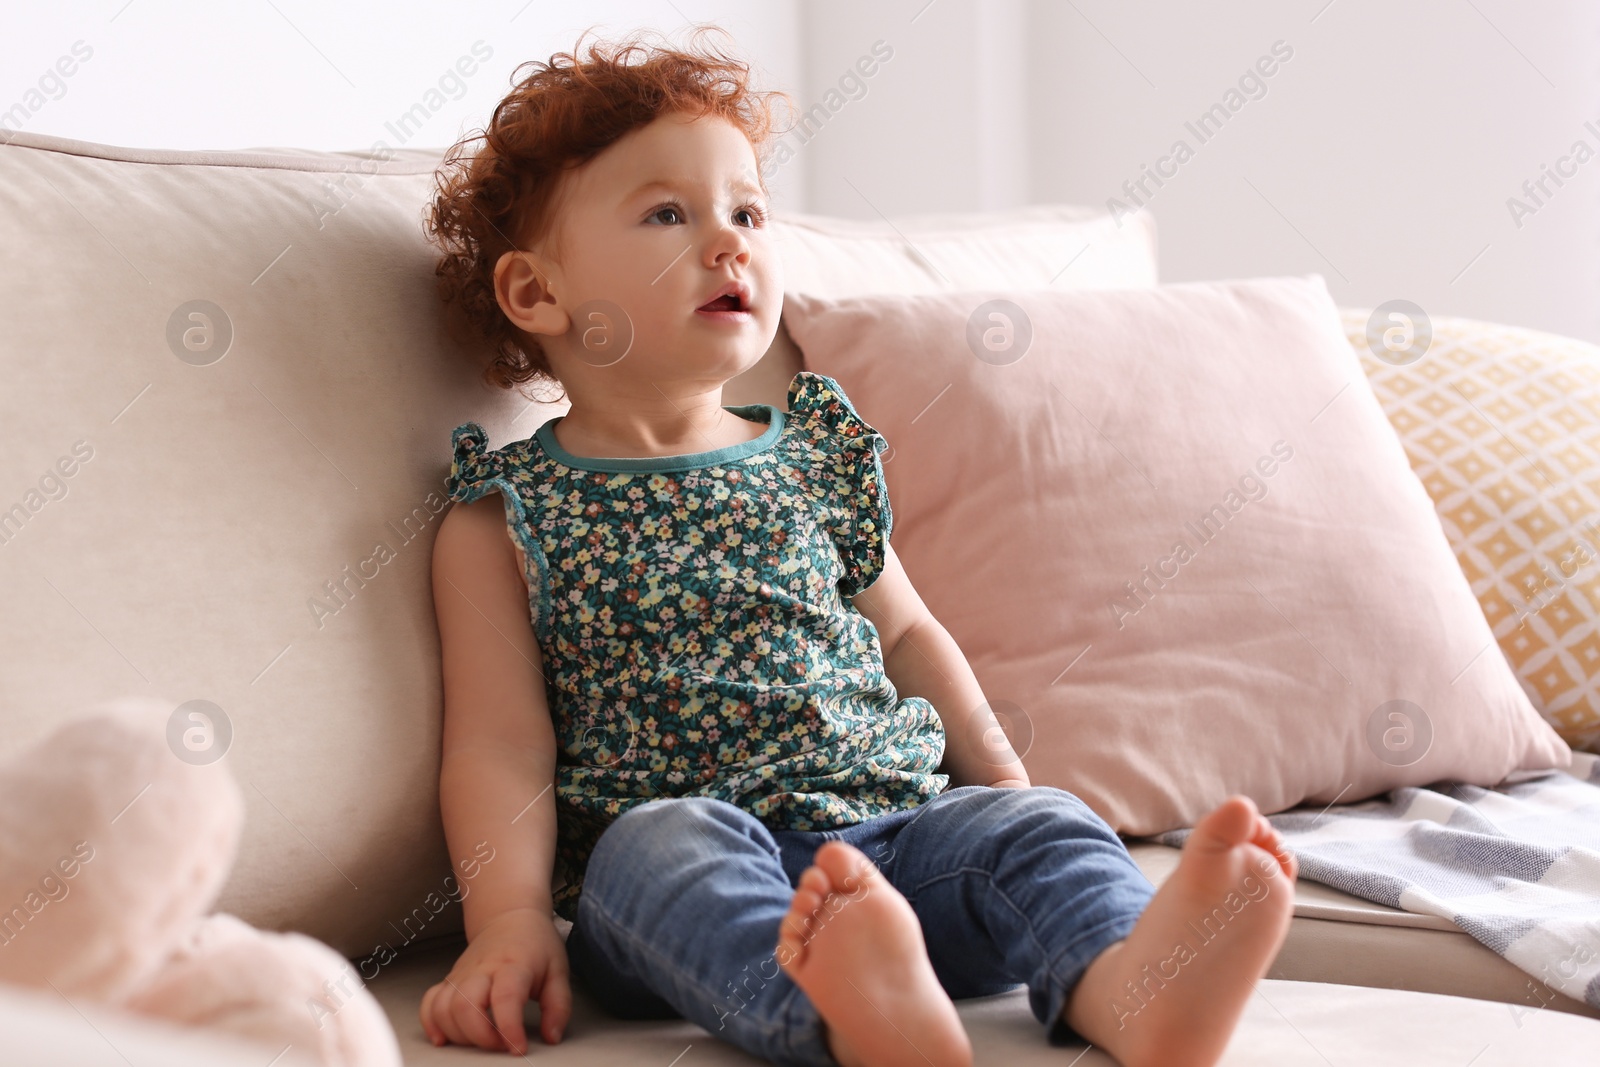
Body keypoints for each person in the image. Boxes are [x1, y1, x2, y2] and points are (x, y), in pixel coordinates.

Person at [418, 27, 1297, 1067]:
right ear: (538, 294)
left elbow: (912, 637)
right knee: (652, 845)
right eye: (668, 213)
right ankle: (848, 1015)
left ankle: (1135, 991)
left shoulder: (814, 457)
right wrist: (507, 920)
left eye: (746, 210)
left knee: (1044, 827)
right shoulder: (506, 515)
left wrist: (1004, 791)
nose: (728, 240)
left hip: (901, 841)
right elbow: (499, 746)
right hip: (695, 883)